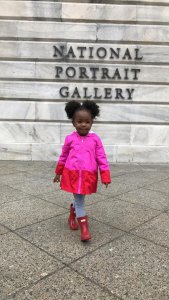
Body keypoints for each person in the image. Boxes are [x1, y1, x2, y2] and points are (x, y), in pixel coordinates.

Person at [53, 100, 111, 241]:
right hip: (72, 175)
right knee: (80, 201)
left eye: (87, 121)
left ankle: (72, 212)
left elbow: (101, 157)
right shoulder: (70, 139)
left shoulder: (95, 139)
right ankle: (85, 230)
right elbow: (63, 156)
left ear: (91, 122)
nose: (83, 124)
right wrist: (58, 172)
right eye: (79, 121)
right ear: (73, 122)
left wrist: (105, 175)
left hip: (87, 176)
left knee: (79, 199)